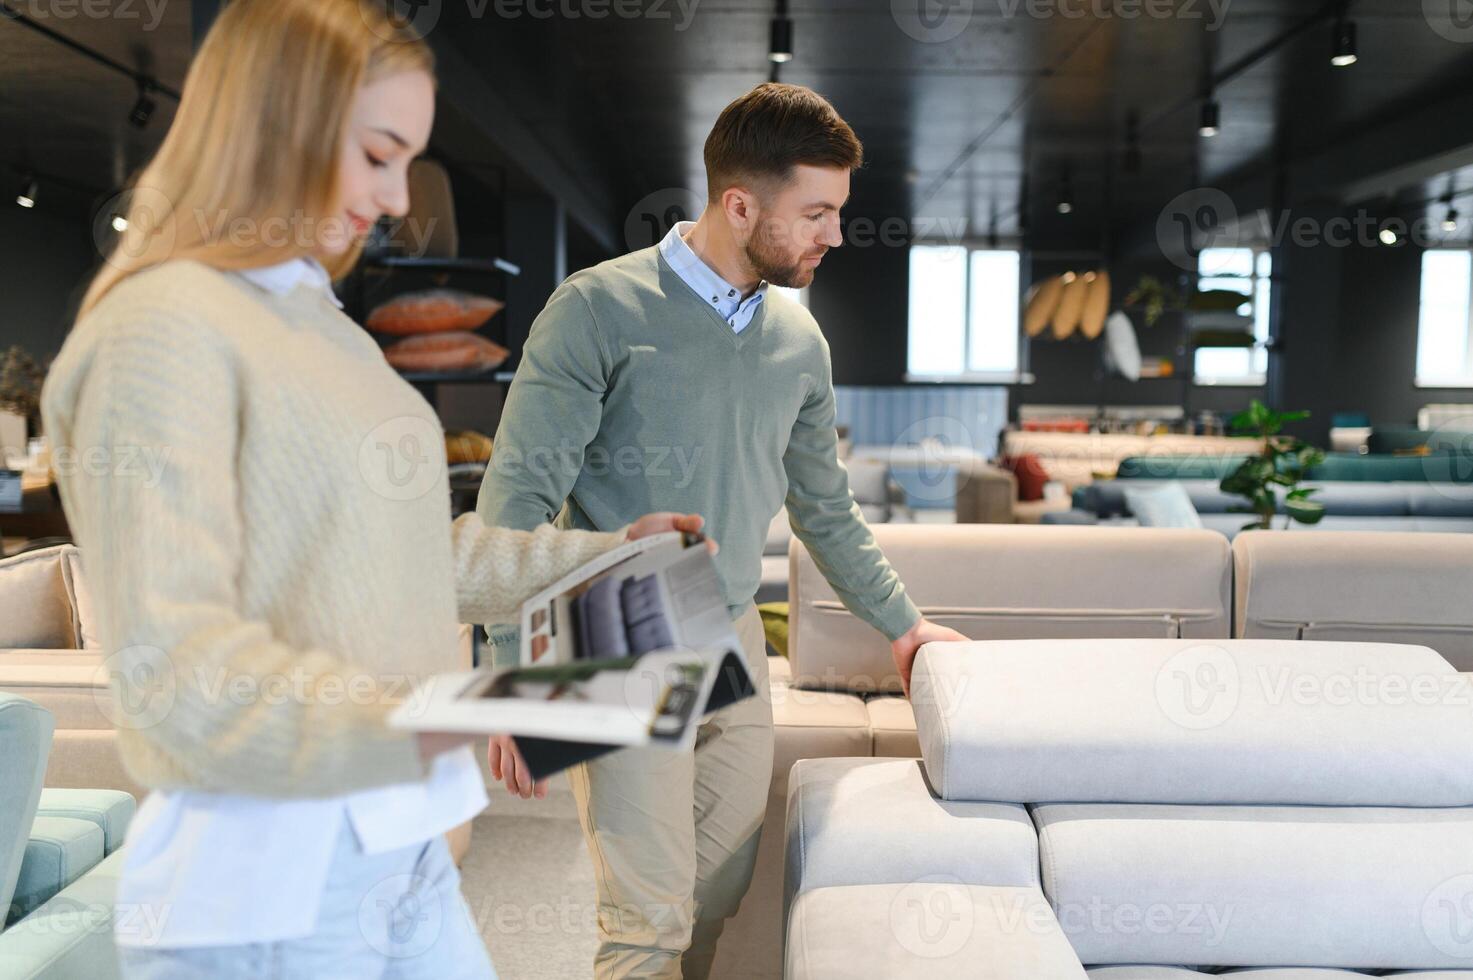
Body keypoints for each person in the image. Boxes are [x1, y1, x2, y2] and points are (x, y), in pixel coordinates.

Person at [40, 1, 709, 976]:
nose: (399, 199)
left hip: (399, 853)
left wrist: (609, 554)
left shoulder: (325, 325)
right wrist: (445, 712)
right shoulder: (159, 331)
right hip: (267, 890)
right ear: (279, 124)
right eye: (378, 153)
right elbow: (176, 670)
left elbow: (416, 554)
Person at [477, 81, 968, 979]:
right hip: (618, 634)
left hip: (733, 636)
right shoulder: (596, 310)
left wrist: (901, 624)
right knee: (646, 920)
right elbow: (516, 501)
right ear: (740, 205)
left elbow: (824, 507)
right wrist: (512, 674)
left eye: (839, 212)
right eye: (815, 212)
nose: (833, 234)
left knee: (716, 893)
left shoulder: (798, 343)